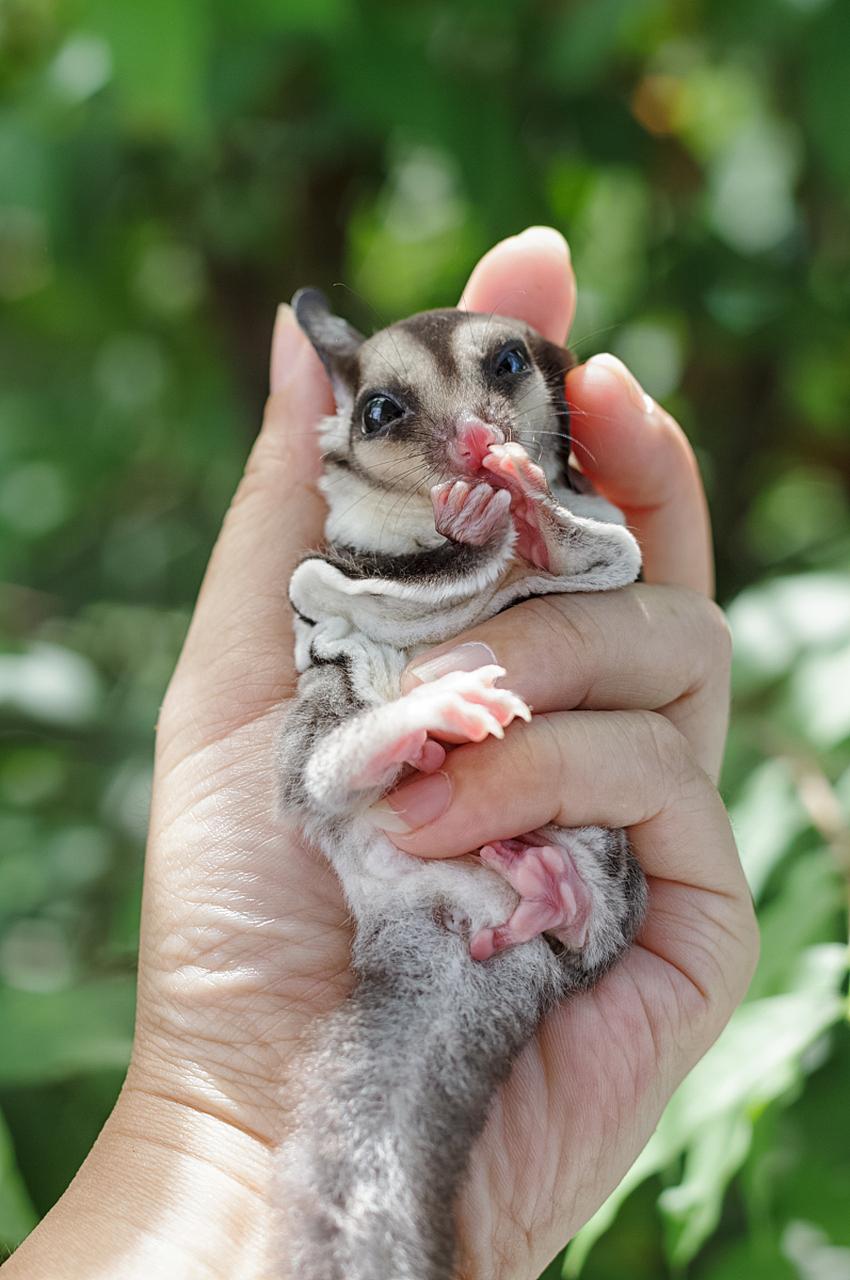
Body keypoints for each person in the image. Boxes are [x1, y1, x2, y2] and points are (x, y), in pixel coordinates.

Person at [4, 227, 758, 1279]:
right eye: (393, 411)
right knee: (353, 723)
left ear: (546, 382)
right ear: (341, 438)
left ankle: (564, 899)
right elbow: (312, 764)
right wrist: (219, 1117)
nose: (465, 423)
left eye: (500, 369)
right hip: (392, 851)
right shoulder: (348, 556)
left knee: (596, 821)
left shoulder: (572, 517)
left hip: (501, 925)